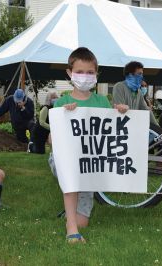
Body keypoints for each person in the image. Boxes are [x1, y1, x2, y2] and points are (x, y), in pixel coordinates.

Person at [50, 47, 128, 243]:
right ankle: (71, 229)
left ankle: (71, 215)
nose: (85, 76)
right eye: (80, 72)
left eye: (90, 72)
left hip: (91, 163)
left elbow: (111, 134)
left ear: (96, 75)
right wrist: (64, 117)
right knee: (71, 174)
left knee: (82, 220)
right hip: (67, 161)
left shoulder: (102, 102)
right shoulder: (61, 103)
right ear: (69, 73)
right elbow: (51, 140)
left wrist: (121, 112)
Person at [113, 61, 158, 125]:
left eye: (142, 74)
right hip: (121, 127)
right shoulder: (119, 86)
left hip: (133, 127)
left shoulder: (138, 91)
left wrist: (159, 129)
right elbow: (119, 109)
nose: (141, 77)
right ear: (130, 74)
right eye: (139, 74)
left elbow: (146, 110)